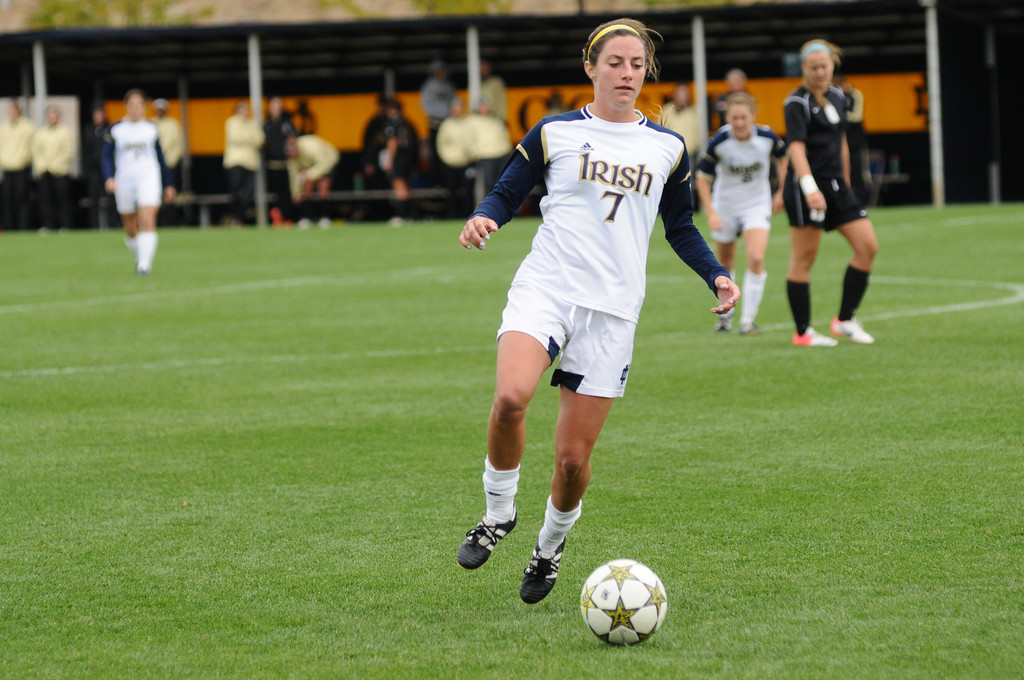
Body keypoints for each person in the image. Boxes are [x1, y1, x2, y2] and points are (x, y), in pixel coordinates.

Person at [455, 18, 740, 605]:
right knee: (510, 397)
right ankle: (497, 512)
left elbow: (679, 226)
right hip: (547, 287)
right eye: (615, 62)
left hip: (612, 311)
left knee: (569, 463)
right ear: (591, 67)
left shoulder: (667, 147)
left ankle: (549, 548)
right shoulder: (554, 132)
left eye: (637, 65)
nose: (628, 73)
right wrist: (486, 216)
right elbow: (509, 190)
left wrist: (716, 272)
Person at [783, 40, 879, 346]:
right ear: (804, 69)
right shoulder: (795, 103)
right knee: (805, 257)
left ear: (832, 66)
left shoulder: (840, 96)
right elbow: (795, 149)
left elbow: (842, 143)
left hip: (837, 187)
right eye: (814, 68)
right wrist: (810, 188)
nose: (820, 72)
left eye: (825, 66)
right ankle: (803, 332)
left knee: (868, 247)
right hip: (806, 188)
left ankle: (845, 320)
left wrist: (847, 183)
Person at [695, 93, 788, 335]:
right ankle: (726, 316)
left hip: (756, 204)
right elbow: (702, 180)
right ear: (727, 118)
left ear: (753, 117)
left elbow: (784, 158)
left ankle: (748, 321)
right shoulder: (720, 141)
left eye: (743, 117)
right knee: (725, 263)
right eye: (734, 118)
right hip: (726, 204)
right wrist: (711, 211)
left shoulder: (767, 137)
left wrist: (781, 191)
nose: (739, 122)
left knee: (756, 257)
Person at [102, 88, 176, 276]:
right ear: (126, 106)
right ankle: (140, 258)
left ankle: (144, 265)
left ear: (144, 107)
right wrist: (109, 177)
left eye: (139, 105)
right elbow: (106, 156)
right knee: (129, 224)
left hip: (148, 177)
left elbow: (161, 157)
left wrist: (168, 184)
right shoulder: (115, 129)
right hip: (125, 178)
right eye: (132, 105)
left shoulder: (151, 129)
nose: (135, 108)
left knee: (147, 217)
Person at [364, 98, 418, 226]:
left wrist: (389, 159)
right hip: (406, 156)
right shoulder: (405, 122)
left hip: (398, 156)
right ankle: (408, 214)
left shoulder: (393, 123)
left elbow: (393, 141)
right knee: (404, 185)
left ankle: (402, 215)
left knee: (398, 185)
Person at [32, 105, 75, 232]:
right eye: (50, 115)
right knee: (46, 200)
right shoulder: (41, 133)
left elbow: (68, 151)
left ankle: (65, 225)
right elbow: (36, 151)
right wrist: (42, 165)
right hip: (45, 171)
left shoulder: (65, 132)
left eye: (55, 114)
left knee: (63, 200)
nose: (52, 117)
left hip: (60, 171)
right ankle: (48, 224)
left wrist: (56, 164)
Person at [223, 101, 264, 226]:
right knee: (235, 191)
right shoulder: (231, 122)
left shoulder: (252, 123)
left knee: (249, 193)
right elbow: (236, 137)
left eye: (246, 110)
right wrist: (250, 139)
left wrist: (249, 139)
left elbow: (260, 140)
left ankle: (242, 218)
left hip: (250, 163)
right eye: (242, 110)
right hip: (235, 162)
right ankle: (236, 217)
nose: (245, 112)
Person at [285, 133, 338, 229]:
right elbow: (294, 176)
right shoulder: (291, 158)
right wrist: (295, 194)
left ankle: (325, 218)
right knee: (306, 189)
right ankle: (307, 217)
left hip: (327, 160)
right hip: (310, 166)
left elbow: (324, 163)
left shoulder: (310, 147)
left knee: (323, 189)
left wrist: (310, 174)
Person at [435, 97, 475, 218]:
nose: (457, 109)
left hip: (466, 162)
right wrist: (447, 158)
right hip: (450, 163)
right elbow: (441, 144)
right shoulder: (446, 125)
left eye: (460, 106)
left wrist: (470, 156)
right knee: (451, 191)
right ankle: (452, 215)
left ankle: (468, 215)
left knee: (467, 191)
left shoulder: (468, 123)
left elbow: (472, 141)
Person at [833, 73, 870, 205]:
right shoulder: (834, 96)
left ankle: (862, 201)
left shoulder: (856, 94)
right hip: (841, 140)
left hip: (855, 140)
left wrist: (842, 117)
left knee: (857, 171)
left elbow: (857, 116)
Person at [466, 99, 512, 205]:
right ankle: (488, 208)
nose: (485, 108)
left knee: (503, 183)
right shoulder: (472, 121)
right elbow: (468, 139)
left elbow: (504, 136)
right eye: (482, 105)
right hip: (485, 156)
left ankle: (504, 208)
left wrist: (507, 150)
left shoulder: (496, 120)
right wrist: (475, 153)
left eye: (486, 105)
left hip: (501, 155)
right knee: (489, 184)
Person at [0, 101, 36, 231]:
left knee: (22, 199)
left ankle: (23, 227)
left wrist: (25, 160)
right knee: (7, 200)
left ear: (18, 111)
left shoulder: (27, 126)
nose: (11, 113)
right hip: (7, 168)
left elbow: (33, 147)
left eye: (13, 110)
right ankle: (9, 228)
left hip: (21, 168)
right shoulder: (4, 127)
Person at [420, 59, 456, 186]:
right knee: (435, 153)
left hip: (449, 125)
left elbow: (454, 104)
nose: (441, 73)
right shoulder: (428, 86)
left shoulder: (449, 86)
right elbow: (426, 106)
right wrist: (441, 115)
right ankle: (437, 181)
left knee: (451, 151)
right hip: (435, 124)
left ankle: (450, 180)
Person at [264, 95, 298, 225]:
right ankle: (276, 218)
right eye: (274, 105)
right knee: (274, 194)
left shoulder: (287, 124)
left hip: (287, 165)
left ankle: (287, 218)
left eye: (279, 105)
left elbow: (293, 140)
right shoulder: (266, 126)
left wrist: (291, 146)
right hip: (272, 167)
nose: (277, 108)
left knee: (288, 194)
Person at [83, 103, 116, 229]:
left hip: (107, 170)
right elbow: (85, 152)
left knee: (111, 199)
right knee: (94, 199)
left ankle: (113, 224)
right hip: (93, 170)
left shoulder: (110, 130)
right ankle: (94, 226)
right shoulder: (88, 131)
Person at [151, 98, 184, 225]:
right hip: (153, 166)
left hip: (169, 165)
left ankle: (169, 221)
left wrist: (171, 160)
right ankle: (155, 221)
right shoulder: (150, 123)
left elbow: (179, 145)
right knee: (154, 194)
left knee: (170, 194)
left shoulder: (173, 124)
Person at [660, 82, 700, 155]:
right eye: (680, 95)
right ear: (674, 95)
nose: (682, 98)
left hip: (690, 155)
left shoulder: (694, 112)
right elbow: (659, 132)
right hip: (670, 154)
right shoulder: (666, 110)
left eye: (685, 95)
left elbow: (698, 135)